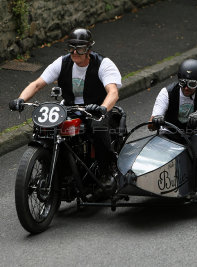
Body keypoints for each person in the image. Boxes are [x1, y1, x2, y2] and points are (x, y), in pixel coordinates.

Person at [9, 28, 121, 195]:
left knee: (98, 127)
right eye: (71, 48)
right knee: (46, 129)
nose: (75, 52)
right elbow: (38, 84)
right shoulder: (62, 63)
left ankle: (106, 172)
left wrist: (103, 108)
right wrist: (21, 99)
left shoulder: (103, 64)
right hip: (69, 108)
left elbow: (113, 92)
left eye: (80, 48)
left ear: (89, 49)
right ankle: (54, 170)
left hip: (96, 109)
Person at [149, 59, 197, 157]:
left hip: (196, 133)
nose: (186, 88)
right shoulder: (166, 92)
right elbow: (150, 125)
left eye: (191, 84)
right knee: (159, 158)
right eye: (182, 83)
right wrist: (156, 121)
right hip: (170, 132)